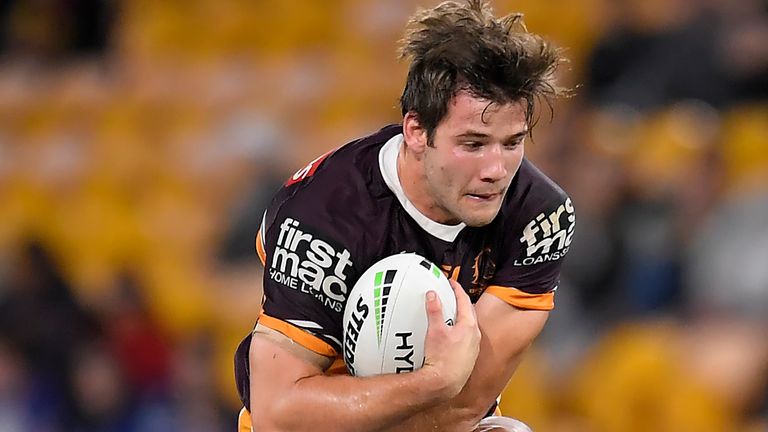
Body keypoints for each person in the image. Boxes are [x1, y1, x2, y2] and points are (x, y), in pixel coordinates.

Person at [234, 1, 574, 430]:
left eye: (512, 143)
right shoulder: (323, 216)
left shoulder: (539, 217)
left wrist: (444, 387)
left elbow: (466, 403)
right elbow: (279, 413)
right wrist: (435, 380)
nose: (495, 171)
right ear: (416, 131)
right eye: (473, 144)